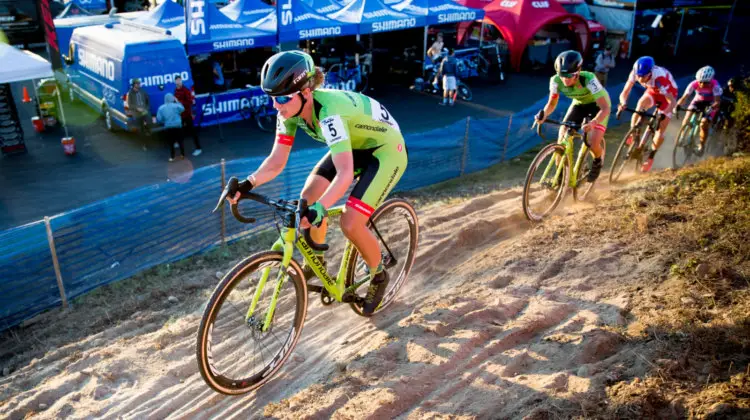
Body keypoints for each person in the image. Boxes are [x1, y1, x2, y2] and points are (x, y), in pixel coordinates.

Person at [227, 50, 408, 315]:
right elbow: (277, 160)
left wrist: (321, 208)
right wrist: (248, 184)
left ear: (306, 92)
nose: (276, 106)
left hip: (386, 150)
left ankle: (379, 275)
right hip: (354, 145)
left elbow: (345, 174)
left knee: (350, 222)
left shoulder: (329, 113)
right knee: (307, 197)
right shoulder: (289, 112)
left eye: (283, 99)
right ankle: (318, 261)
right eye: (272, 99)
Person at [536, 50, 610, 183]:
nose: (565, 79)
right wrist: (544, 114)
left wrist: (594, 122)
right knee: (562, 135)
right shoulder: (555, 80)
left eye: (569, 75)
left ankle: (598, 161)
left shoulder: (589, 79)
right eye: (562, 75)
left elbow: (605, 108)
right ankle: (560, 177)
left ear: (578, 71)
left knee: (593, 143)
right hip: (579, 104)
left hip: (598, 106)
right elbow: (552, 103)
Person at [618, 56, 678, 172]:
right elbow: (624, 92)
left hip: (668, 96)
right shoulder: (635, 72)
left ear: (650, 73)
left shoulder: (660, 78)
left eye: (643, 76)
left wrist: (664, 113)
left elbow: (672, 102)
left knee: (660, 130)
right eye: (638, 76)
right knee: (640, 105)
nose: (640, 79)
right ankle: (633, 133)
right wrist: (623, 103)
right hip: (652, 91)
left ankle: (651, 157)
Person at [676, 66, 723, 152]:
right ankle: (682, 136)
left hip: (710, 103)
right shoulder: (693, 83)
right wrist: (678, 105)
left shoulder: (715, 85)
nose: (701, 84)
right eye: (700, 82)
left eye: (705, 83)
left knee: (703, 123)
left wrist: (712, 108)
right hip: (697, 101)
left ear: (710, 80)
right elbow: (684, 97)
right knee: (687, 117)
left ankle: (701, 145)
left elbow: (717, 102)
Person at [173, 76, 202, 156]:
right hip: (179, 115)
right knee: (178, 129)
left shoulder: (186, 90)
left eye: (179, 80)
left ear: (181, 81)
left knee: (192, 132)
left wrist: (179, 102)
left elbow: (190, 102)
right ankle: (178, 142)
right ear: (175, 82)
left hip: (187, 114)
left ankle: (198, 148)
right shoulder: (175, 90)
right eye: (177, 80)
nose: (178, 82)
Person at [156, 93, 185, 162]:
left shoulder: (161, 108)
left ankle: (172, 157)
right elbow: (183, 109)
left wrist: (165, 121)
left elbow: (159, 119)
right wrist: (177, 101)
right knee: (180, 141)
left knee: (171, 142)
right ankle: (182, 155)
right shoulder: (176, 106)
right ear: (172, 98)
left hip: (168, 127)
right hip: (178, 126)